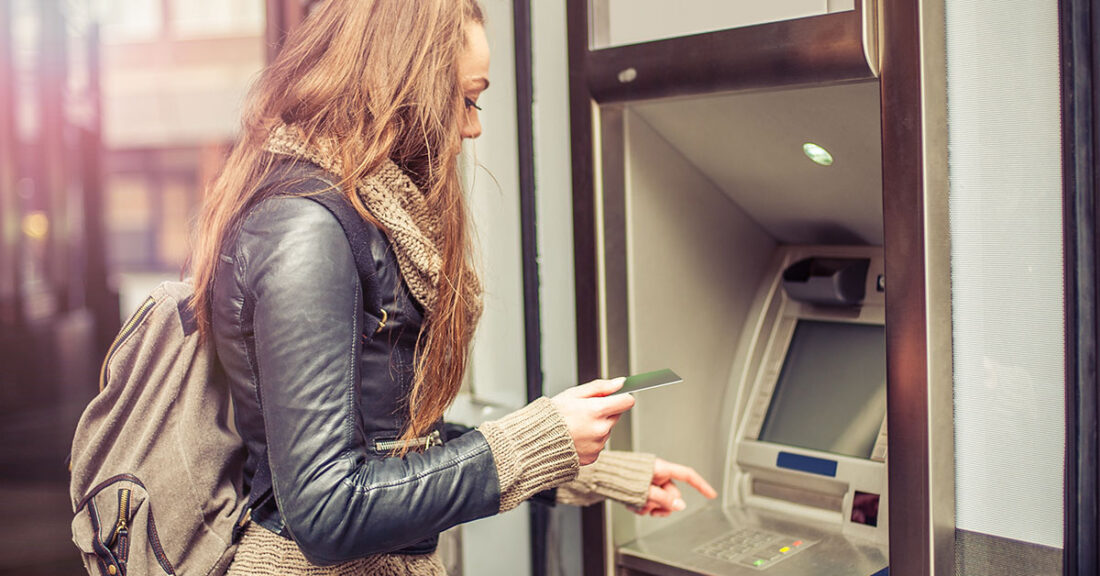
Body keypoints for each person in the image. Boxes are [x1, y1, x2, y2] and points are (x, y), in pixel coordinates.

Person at [187, 1, 716, 574]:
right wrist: (539, 439)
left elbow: (393, 442)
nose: (473, 125)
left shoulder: (357, 215)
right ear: (403, 84)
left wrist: (591, 469)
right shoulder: (306, 226)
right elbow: (326, 509)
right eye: (467, 98)